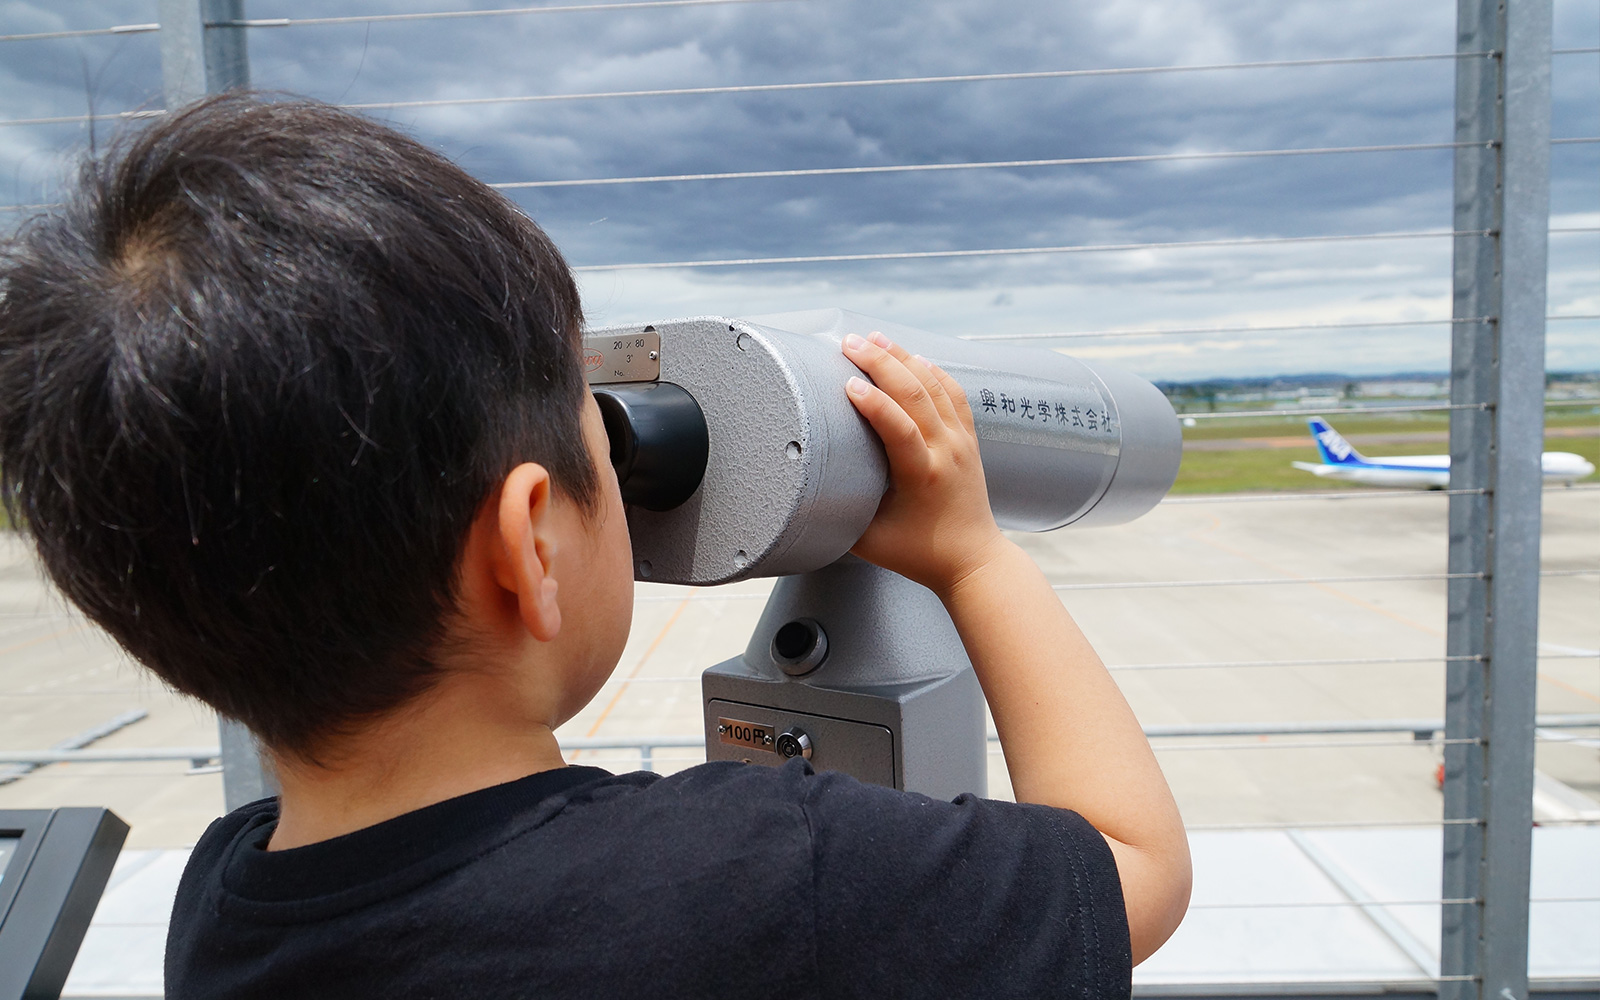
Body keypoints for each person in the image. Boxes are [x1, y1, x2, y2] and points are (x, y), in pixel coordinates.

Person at [0, 93, 1190, 999]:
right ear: (527, 545)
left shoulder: (224, 894)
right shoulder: (766, 870)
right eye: (602, 457)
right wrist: (974, 556)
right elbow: (1133, 867)